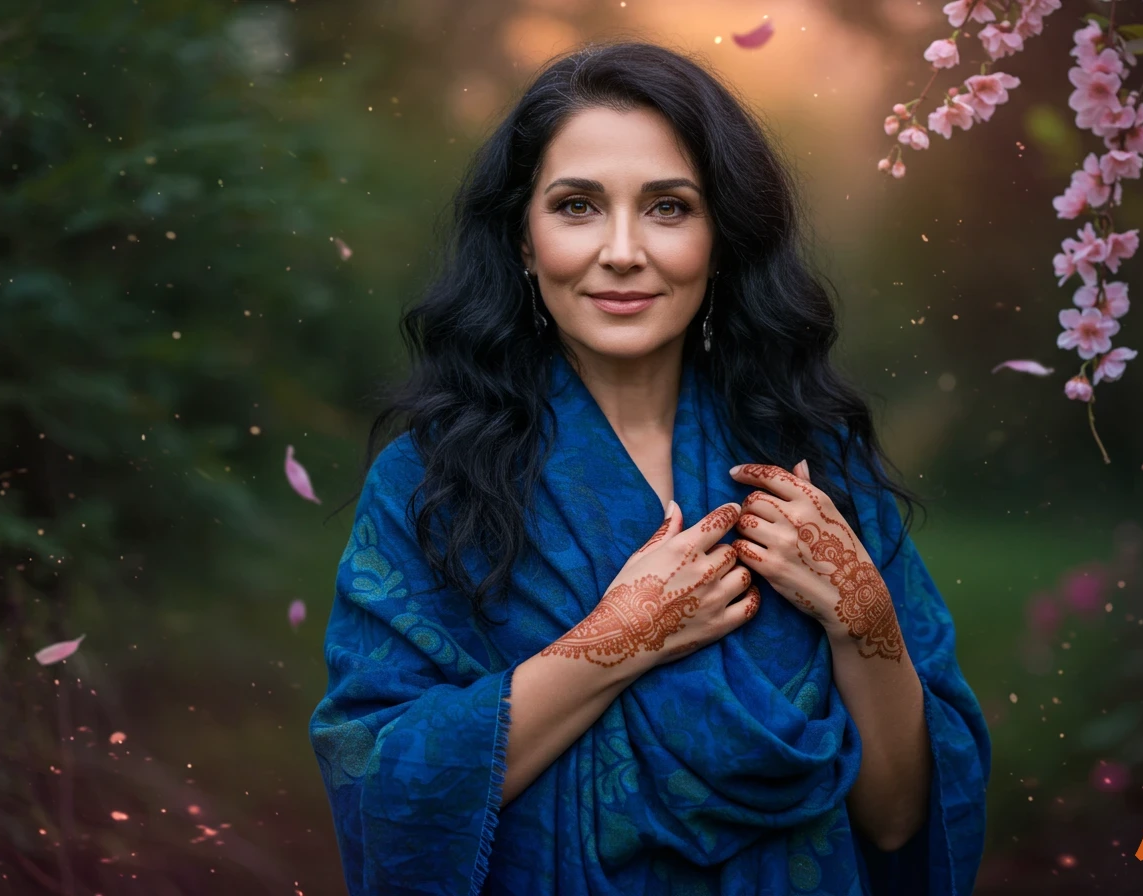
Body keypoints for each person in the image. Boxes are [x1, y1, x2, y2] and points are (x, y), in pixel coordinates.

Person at [309, 39, 990, 896]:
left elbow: (898, 824)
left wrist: (865, 623)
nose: (624, 250)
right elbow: (383, 787)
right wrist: (617, 640)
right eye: (578, 206)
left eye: (669, 207)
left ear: (721, 240)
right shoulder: (430, 485)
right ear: (524, 240)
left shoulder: (821, 478)